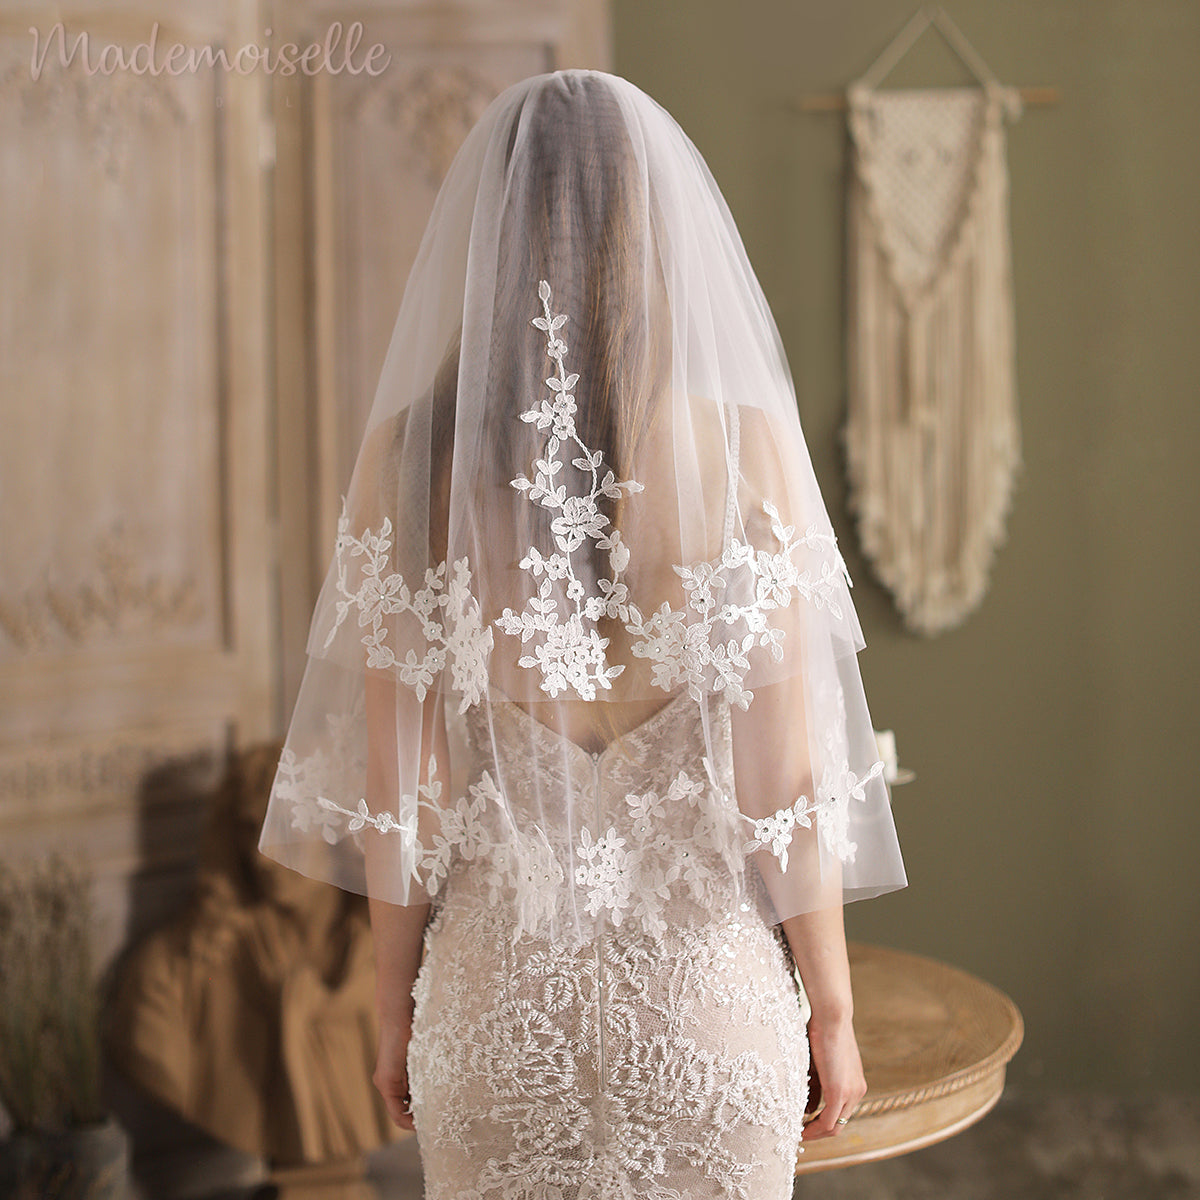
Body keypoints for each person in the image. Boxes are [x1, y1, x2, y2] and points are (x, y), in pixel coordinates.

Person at [258, 68, 906, 1199]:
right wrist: (836, 1015)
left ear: (488, 241)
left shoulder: (408, 465)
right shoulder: (745, 450)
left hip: (496, 1022)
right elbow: (786, 788)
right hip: (705, 1024)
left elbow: (400, 796)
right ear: (656, 233)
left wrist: (394, 1013)